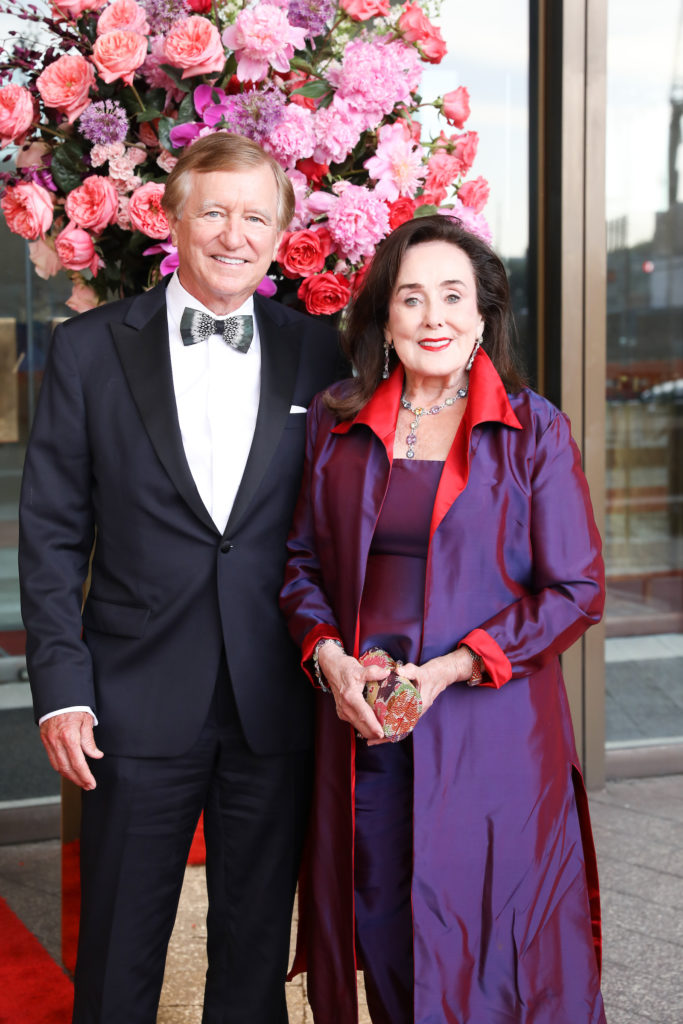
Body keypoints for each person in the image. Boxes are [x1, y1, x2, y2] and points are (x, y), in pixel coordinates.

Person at [18, 132, 342, 1024]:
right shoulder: (87, 351)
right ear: (173, 218)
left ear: (280, 236)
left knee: (252, 960)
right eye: (215, 212)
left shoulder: (321, 355)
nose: (234, 234)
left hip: (274, 696)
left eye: (255, 217)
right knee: (118, 957)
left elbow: (341, 523)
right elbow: (49, 532)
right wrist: (61, 691)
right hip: (129, 699)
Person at [280, 214, 607, 1024]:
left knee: (502, 948)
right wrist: (329, 656)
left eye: (452, 296)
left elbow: (576, 587)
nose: (433, 318)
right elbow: (299, 567)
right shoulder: (338, 416)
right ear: (383, 318)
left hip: (493, 736)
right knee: (385, 930)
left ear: (483, 310)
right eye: (411, 298)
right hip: (370, 732)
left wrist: (454, 665)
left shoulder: (533, 430)